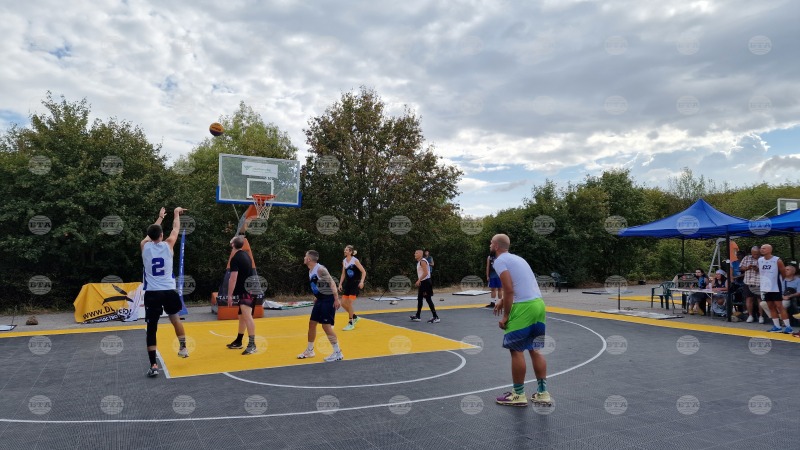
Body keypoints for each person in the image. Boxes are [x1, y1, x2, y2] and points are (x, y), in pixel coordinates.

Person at [490, 234, 551, 407]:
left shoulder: (499, 261)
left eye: (491, 243)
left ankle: (518, 395)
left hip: (524, 308)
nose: (490, 246)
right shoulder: (519, 259)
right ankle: (543, 393)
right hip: (538, 305)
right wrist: (502, 300)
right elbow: (521, 284)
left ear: (496, 246)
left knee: (516, 350)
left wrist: (506, 316)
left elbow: (509, 289)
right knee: (535, 349)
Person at [140, 207, 189, 378]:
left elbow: (150, 234)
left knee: (151, 328)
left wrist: (160, 218)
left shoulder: (144, 246)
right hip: (168, 290)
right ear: (161, 235)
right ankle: (183, 347)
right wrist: (175, 213)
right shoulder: (168, 245)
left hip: (153, 292)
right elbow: (176, 228)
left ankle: (153, 365)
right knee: (175, 319)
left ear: (149, 236)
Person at [297, 250, 344, 362]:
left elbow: (332, 283)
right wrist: (317, 296)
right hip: (321, 299)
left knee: (326, 326)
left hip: (328, 300)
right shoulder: (310, 270)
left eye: (305, 256)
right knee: (312, 324)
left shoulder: (320, 269)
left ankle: (338, 353)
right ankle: (310, 350)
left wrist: (336, 299)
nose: (304, 258)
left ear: (309, 259)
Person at [224, 236, 258, 355]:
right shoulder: (246, 255)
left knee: (247, 317)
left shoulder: (235, 259)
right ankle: (239, 341)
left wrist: (229, 295)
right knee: (242, 316)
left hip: (246, 292)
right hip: (249, 289)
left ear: (232, 245)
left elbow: (233, 278)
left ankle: (252, 344)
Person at [759, 244, 793, 333]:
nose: (762, 250)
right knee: (770, 306)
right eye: (761, 248)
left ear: (770, 250)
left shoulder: (777, 260)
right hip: (765, 287)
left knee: (779, 306)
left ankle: (788, 327)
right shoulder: (760, 260)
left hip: (775, 287)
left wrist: (779, 281)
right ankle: (777, 326)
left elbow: (783, 273)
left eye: (764, 248)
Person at [338, 245, 367, 331]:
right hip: (348, 284)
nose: (345, 251)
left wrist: (361, 282)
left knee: (349, 302)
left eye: (346, 250)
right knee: (343, 303)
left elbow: (363, 272)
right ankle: (355, 317)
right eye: (345, 250)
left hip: (355, 283)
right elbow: (343, 274)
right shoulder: (344, 261)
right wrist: (340, 284)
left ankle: (351, 323)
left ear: (350, 252)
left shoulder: (355, 260)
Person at [410, 249, 440, 323]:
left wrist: (419, 280)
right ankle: (418, 316)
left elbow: (426, 273)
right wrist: (420, 280)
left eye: (416, 253)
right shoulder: (420, 262)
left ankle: (436, 317)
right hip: (423, 282)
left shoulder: (422, 261)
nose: (415, 254)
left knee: (428, 299)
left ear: (420, 254)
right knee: (420, 299)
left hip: (426, 282)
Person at [740, 246, 762, 323]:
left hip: (759, 282)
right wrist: (747, 268)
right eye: (754, 254)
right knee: (749, 299)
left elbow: (766, 270)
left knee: (760, 300)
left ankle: (761, 316)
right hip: (748, 281)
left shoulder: (763, 259)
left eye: (757, 254)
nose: (756, 255)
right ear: (751, 253)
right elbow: (741, 267)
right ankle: (750, 315)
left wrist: (757, 269)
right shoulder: (746, 258)